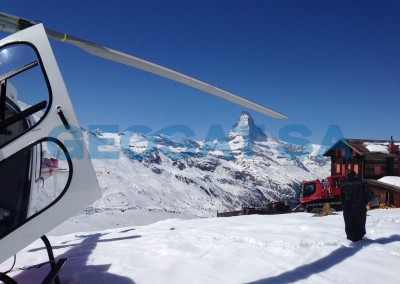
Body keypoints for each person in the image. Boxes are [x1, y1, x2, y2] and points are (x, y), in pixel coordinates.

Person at [340, 169, 372, 242]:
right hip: (360, 208)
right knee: (360, 226)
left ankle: (351, 240)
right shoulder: (361, 183)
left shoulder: (343, 184)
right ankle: (359, 240)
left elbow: (342, 198)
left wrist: (344, 206)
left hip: (348, 209)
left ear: (346, 175)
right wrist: (365, 201)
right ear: (355, 174)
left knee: (349, 227)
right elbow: (370, 193)